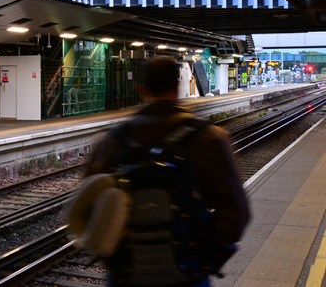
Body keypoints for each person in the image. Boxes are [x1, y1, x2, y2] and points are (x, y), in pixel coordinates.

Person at [83, 56, 250, 286]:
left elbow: (88, 207)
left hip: (126, 275)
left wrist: (115, 254)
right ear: (179, 85)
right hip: (187, 273)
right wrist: (202, 256)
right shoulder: (208, 138)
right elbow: (237, 213)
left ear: (141, 89)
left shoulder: (112, 140)